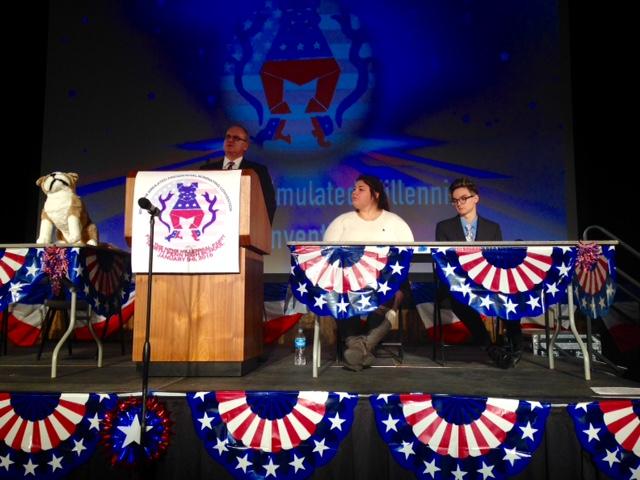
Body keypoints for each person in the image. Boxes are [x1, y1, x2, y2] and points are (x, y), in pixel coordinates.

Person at [324, 174, 414, 371]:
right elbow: (328, 257)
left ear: (375, 194)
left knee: (392, 296)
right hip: (348, 284)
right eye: (354, 188)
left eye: (361, 189)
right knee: (338, 297)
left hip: (385, 282)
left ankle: (359, 349)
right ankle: (363, 351)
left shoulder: (395, 223)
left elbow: (404, 258)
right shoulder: (341, 222)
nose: (354, 192)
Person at [435, 177, 522, 366]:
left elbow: (497, 260)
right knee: (458, 299)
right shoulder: (444, 227)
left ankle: (517, 346)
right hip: (458, 282)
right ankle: (490, 348)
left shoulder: (492, 228)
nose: (459, 203)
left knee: (509, 293)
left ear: (476, 199)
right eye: (455, 200)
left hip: (487, 281)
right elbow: (445, 262)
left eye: (463, 198)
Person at [200, 124, 277, 224]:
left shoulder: (258, 171)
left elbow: (269, 203)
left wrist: (260, 229)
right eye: (228, 137)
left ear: (245, 146)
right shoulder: (206, 170)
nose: (230, 140)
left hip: (244, 230)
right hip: (212, 227)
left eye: (236, 138)